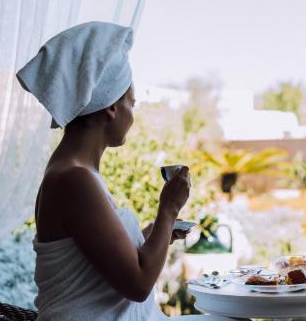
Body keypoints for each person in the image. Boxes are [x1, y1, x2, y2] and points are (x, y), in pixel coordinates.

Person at [16, 21, 234, 321]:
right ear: (111, 108)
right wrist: (168, 208)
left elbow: (108, 261)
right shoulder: (73, 179)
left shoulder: (76, 173)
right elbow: (138, 284)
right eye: (132, 103)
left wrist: (161, 233)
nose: (133, 114)